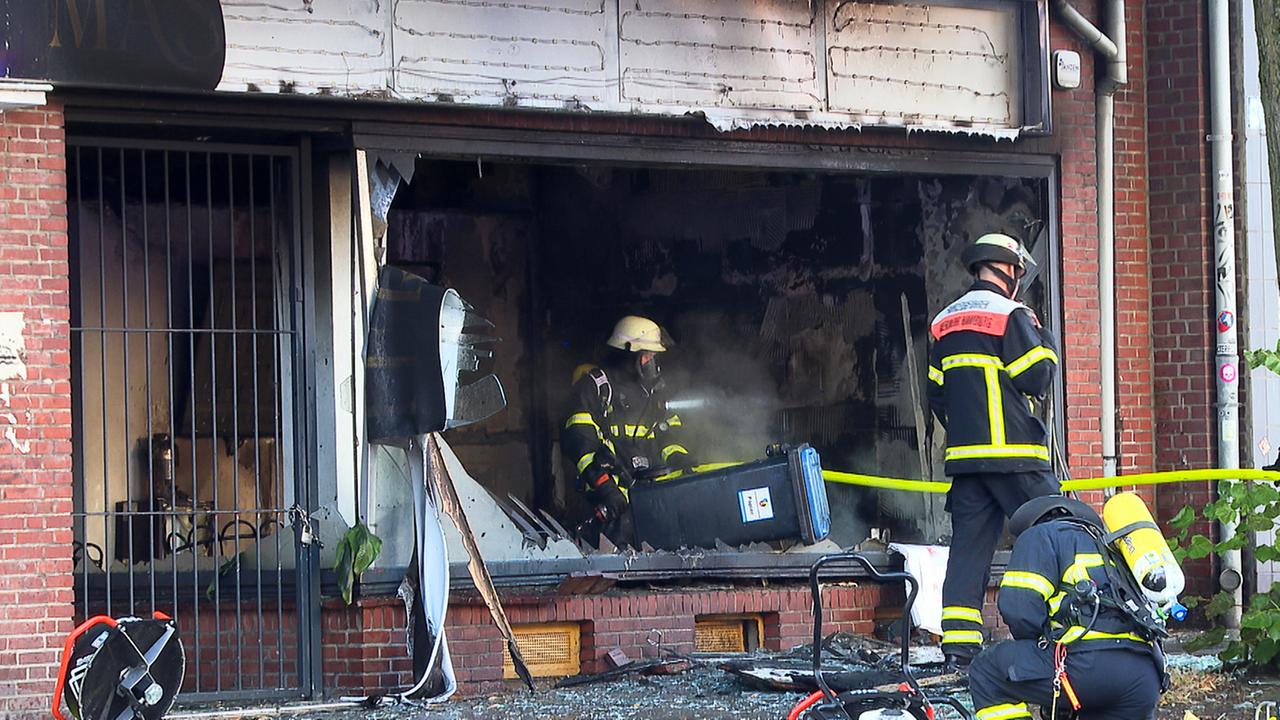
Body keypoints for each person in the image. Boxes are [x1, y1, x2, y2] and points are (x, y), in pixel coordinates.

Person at [927, 232, 1061, 668]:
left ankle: (960, 649)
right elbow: (1035, 379)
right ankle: (1075, 632)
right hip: (1017, 458)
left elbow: (938, 398)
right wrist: (1047, 342)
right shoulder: (1012, 314)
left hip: (967, 464)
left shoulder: (943, 322)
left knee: (968, 552)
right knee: (1060, 533)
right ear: (1010, 270)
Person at [968, 495, 1168, 720]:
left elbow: (1019, 609)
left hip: (1086, 670)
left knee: (987, 671)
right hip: (1145, 676)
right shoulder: (1110, 545)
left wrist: (1040, 647)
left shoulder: (1040, 535)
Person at [561, 315, 695, 545]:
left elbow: (668, 435)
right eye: (647, 356)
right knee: (613, 566)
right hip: (609, 498)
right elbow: (579, 443)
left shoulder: (653, 394)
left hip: (649, 496)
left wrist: (681, 463)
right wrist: (606, 488)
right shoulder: (595, 387)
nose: (652, 362)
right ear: (629, 354)